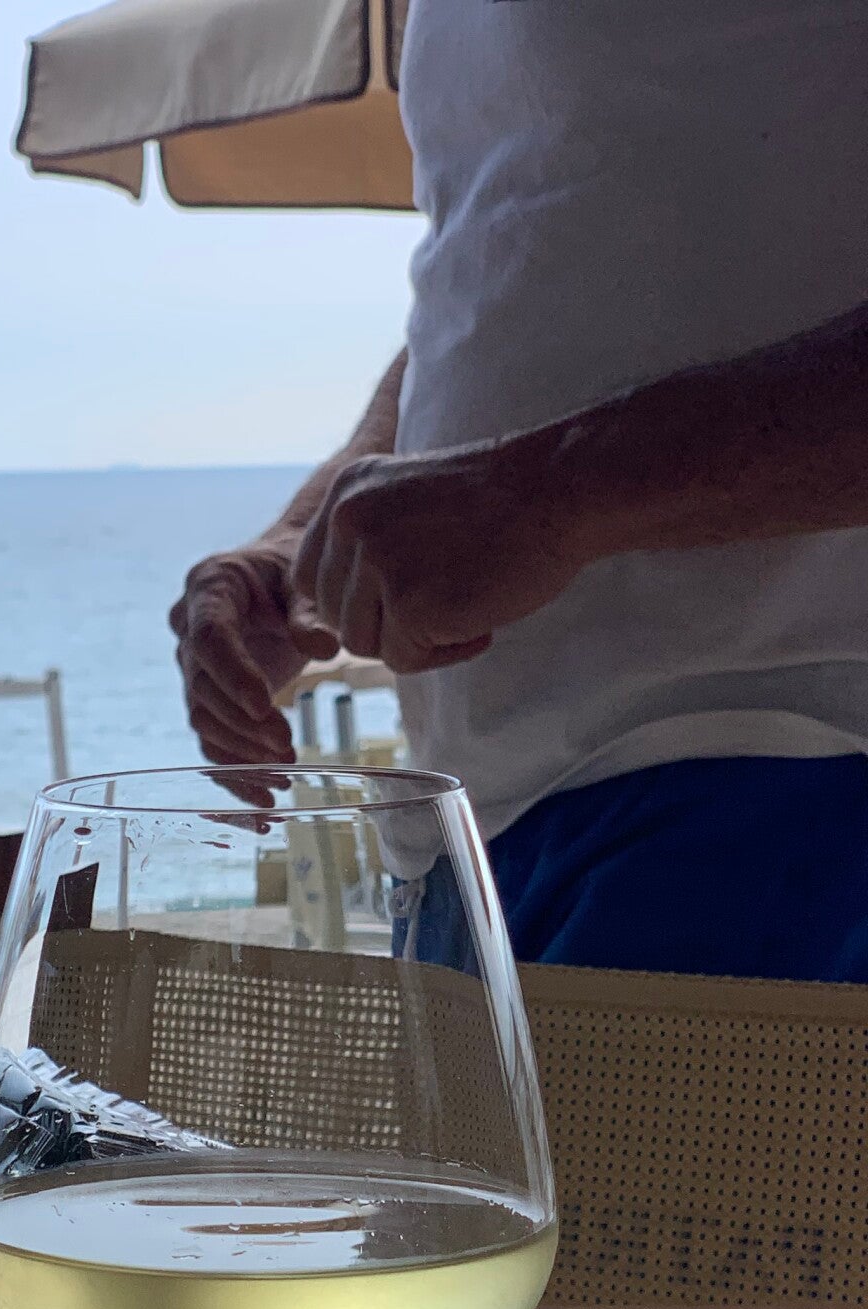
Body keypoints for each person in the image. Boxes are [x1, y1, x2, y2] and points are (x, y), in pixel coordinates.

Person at [171, 0, 868, 980]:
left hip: (783, 781)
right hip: (470, 832)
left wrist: (552, 494)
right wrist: (306, 545)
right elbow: (499, 273)